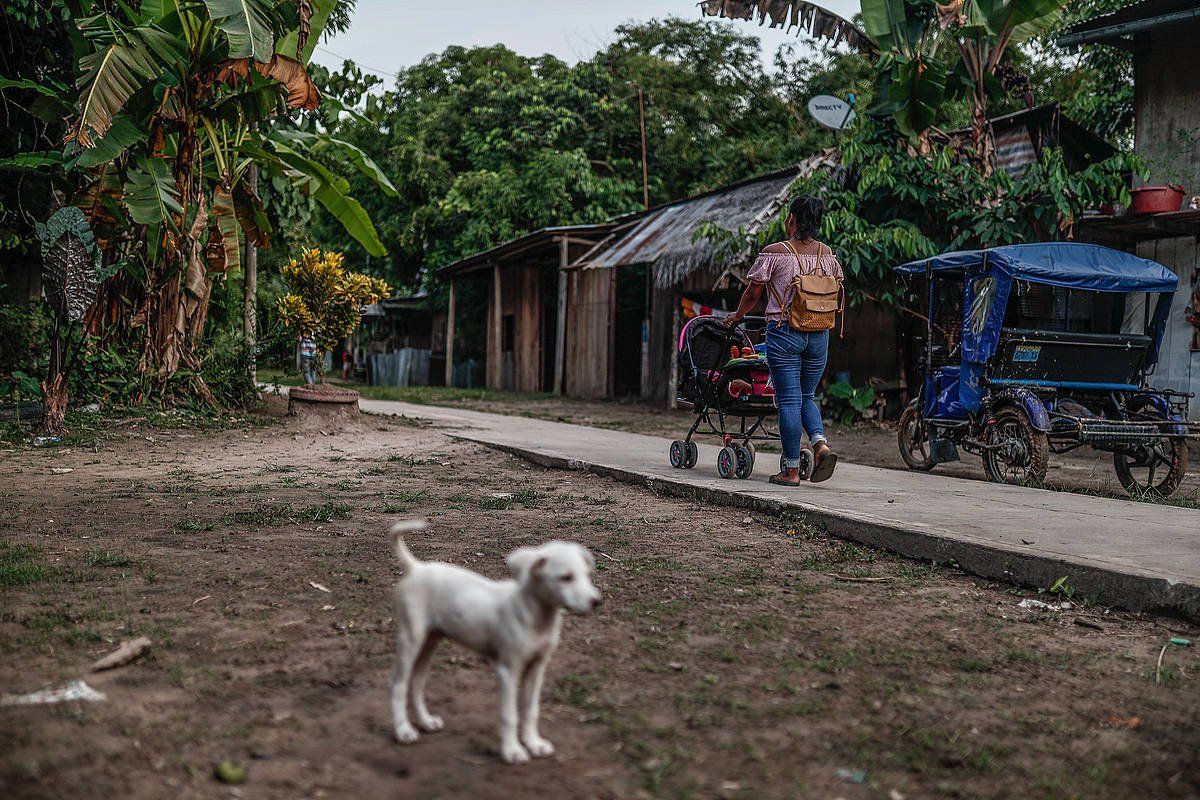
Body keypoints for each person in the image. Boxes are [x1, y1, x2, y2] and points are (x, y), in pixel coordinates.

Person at [723, 195, 842, 485]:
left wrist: (738, 315)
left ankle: (790, 471)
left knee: (788, 400)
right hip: (819, 334)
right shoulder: (828, 255)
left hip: (785, 332)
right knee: (806, 396)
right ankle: (819, 443)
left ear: (791, 220)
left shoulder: (775, 252)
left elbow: (753, 293)